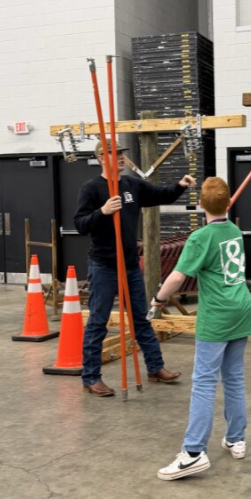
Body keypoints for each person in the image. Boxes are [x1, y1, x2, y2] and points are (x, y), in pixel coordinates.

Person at [74, 139, 197, 396]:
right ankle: (91, 377)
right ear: (100, 158)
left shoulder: (131, 185)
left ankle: (155, 368)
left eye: (121, 153)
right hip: (104, 265)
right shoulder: (92, 188)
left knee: (141, 318)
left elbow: (160, 194)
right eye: (115, 154)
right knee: (98, 322)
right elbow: (81, 224)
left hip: (129, 265)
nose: (121, 158)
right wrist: (103, 211)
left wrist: (179, 186)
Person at [153, 177, 251, 481]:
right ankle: (236, 438)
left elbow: (177, 277)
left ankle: (194, 452)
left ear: (200, 205)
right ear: (228, 204)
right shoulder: (234, 231)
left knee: (204, 382)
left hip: (217, 316)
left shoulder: (200, 237)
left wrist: (158, 300)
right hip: (241, 310)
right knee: (234, 378)